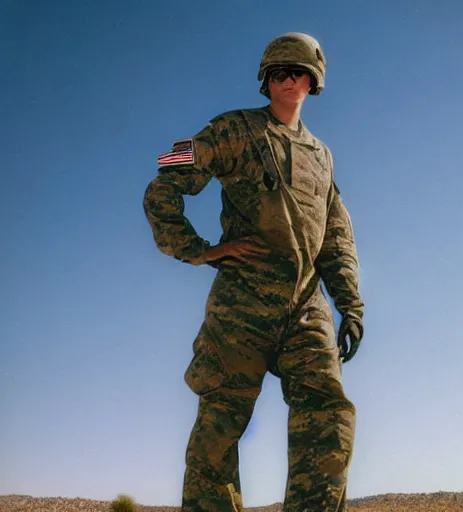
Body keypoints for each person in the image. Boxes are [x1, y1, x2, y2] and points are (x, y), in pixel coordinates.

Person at [143, 32, 364, 512]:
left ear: (314, 81)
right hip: (241, 307)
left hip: (306, 309)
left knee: (330, 416)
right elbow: (164, 180)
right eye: (280, 72)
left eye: (299, 72)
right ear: (266, 80)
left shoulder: (322, 157)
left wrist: (350, 304)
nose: (290, 81)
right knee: (217, 431)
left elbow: (336, 236)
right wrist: (197, 250)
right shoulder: (232, 130)